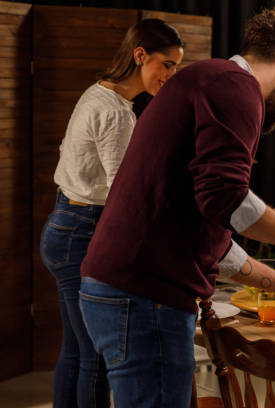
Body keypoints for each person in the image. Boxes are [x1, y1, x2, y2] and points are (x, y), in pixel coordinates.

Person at [78, 8, 275, 408]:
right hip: (144, 295)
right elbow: (226, 199)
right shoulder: (236, 88)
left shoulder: (207, 79)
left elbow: (210, 225)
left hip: (120, 289)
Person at [39, 19, 184, 408]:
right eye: (166, 65)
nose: (170, 76)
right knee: (96, 358)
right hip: (80, 232)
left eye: (176, 68)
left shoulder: (98, 93)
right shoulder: (117, 113)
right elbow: (126, 192)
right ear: (140, 56)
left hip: (63, 224)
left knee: (75, 350)